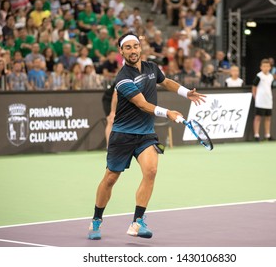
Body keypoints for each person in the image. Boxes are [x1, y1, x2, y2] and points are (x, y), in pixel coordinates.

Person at [88, 32, 206, 240]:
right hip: (123, 136)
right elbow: (142, 104)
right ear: (121, 51)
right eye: (128, 48)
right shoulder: (122, 78)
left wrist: (186, 92)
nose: (133, 51)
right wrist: (167, 112)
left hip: (145, 135)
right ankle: (96, 220)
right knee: (110, 179)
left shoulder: (152, 67)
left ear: (140, 48)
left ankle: (137, 222)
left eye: (136, 46)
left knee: (150, 171)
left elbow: (166, 81)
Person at [252, 58, 275, 141]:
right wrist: (255, 97)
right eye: (264, 66)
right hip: (260, 101)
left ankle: (267, 135)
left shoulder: (271, 76)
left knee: (268, 118)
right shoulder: (259, 76)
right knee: (258, 117)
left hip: (268, 100)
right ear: (261, 67)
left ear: (270, 67)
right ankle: (256, 135)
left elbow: (270, 88)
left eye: (267, 66)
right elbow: (254, 87)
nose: (266, 68)